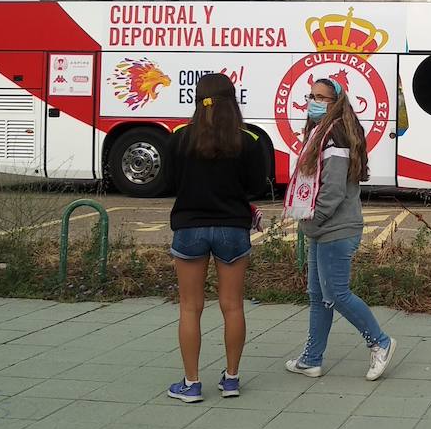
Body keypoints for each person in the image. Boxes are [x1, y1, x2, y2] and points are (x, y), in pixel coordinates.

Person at [285, 78, 397, 381]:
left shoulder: (334, 137)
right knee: (318, 295)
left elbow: (333, 191)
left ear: (337, 103)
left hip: (336, 227)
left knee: (335, 293)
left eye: (322, 98)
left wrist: (312, 221)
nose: (314, 102)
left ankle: (380, 342)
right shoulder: (320, 134)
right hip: (324, 228)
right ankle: (311, 359)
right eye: (312, 96)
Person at [165, 72, 266, 403]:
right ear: (232, 99)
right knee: (232, 306)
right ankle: (232, 379)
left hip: (190, 227)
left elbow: (170, 182)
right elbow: (255, 186)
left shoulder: (180, 137)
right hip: (233, 229)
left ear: (197, 98)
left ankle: (191, 384)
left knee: (190, 308)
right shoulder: (247, 139)